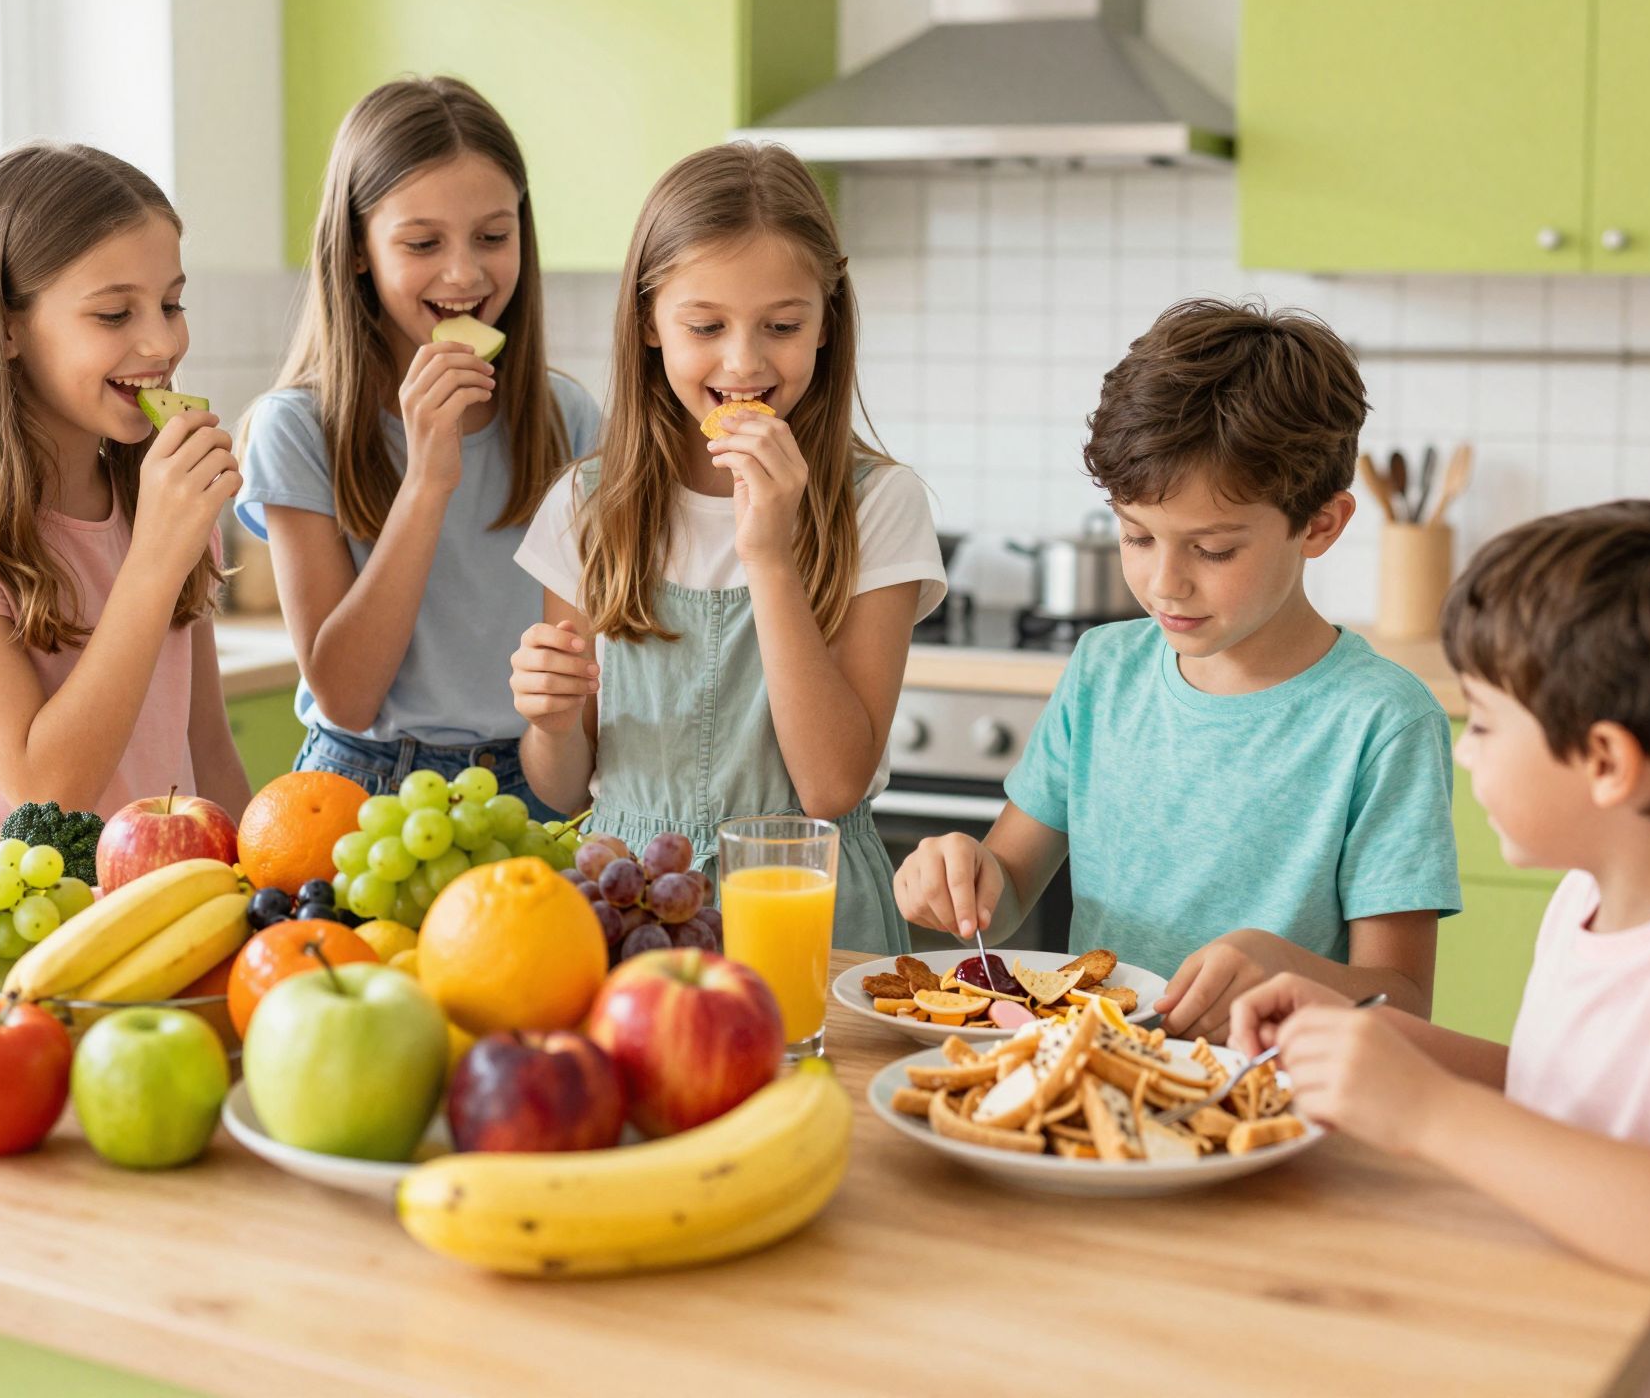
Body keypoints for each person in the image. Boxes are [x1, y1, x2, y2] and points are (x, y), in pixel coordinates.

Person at [1235, 501, 1650, 1398]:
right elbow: (1566, 1089)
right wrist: (1374, 1035)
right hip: (1566, 1349)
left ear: (1604, 760)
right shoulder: (1587, 900)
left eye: (1483, 724)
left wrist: (1429, 1116)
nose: (1463, 756)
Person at [895, 299, 1461, 1038]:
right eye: (1136, 536)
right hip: (1093, 1078)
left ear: (1320, 524)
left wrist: (1287, 968)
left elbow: (1403, 1002)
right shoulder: (1104, 669)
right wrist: (961, 873)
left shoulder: (1382, 721)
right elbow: (1005, 893)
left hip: (1274, 1105)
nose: (1165, 582)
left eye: (1214, 550)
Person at [509, 143, 944, 952]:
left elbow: (831, 784)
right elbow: (564, 786)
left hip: (812, 923)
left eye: (782, 326)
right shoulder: (587, 505)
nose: (744, 362)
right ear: (647, 320)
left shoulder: (880, 504)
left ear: (826, 324)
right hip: (629, 918)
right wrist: (552, 719)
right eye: (705, 326)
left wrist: (770, 556)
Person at [236, 77, 599, 816]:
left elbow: (581, 672)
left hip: (538, 785)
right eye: (422, 243)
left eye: (493, 237)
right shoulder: (298, 427)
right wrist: (428, 480)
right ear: (360, 249)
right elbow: (346, 692)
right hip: (366, 785)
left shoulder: (566, 418)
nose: (464, 273)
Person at [0, 144, 245, 919]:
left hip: (160, 872)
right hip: (0, 892)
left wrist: (261, 884)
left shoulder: (161, 497)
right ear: (5, 329)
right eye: (113, 313)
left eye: (172, 304)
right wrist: (156, 557)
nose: (162, 345)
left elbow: (207, 743)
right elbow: (46, 791)